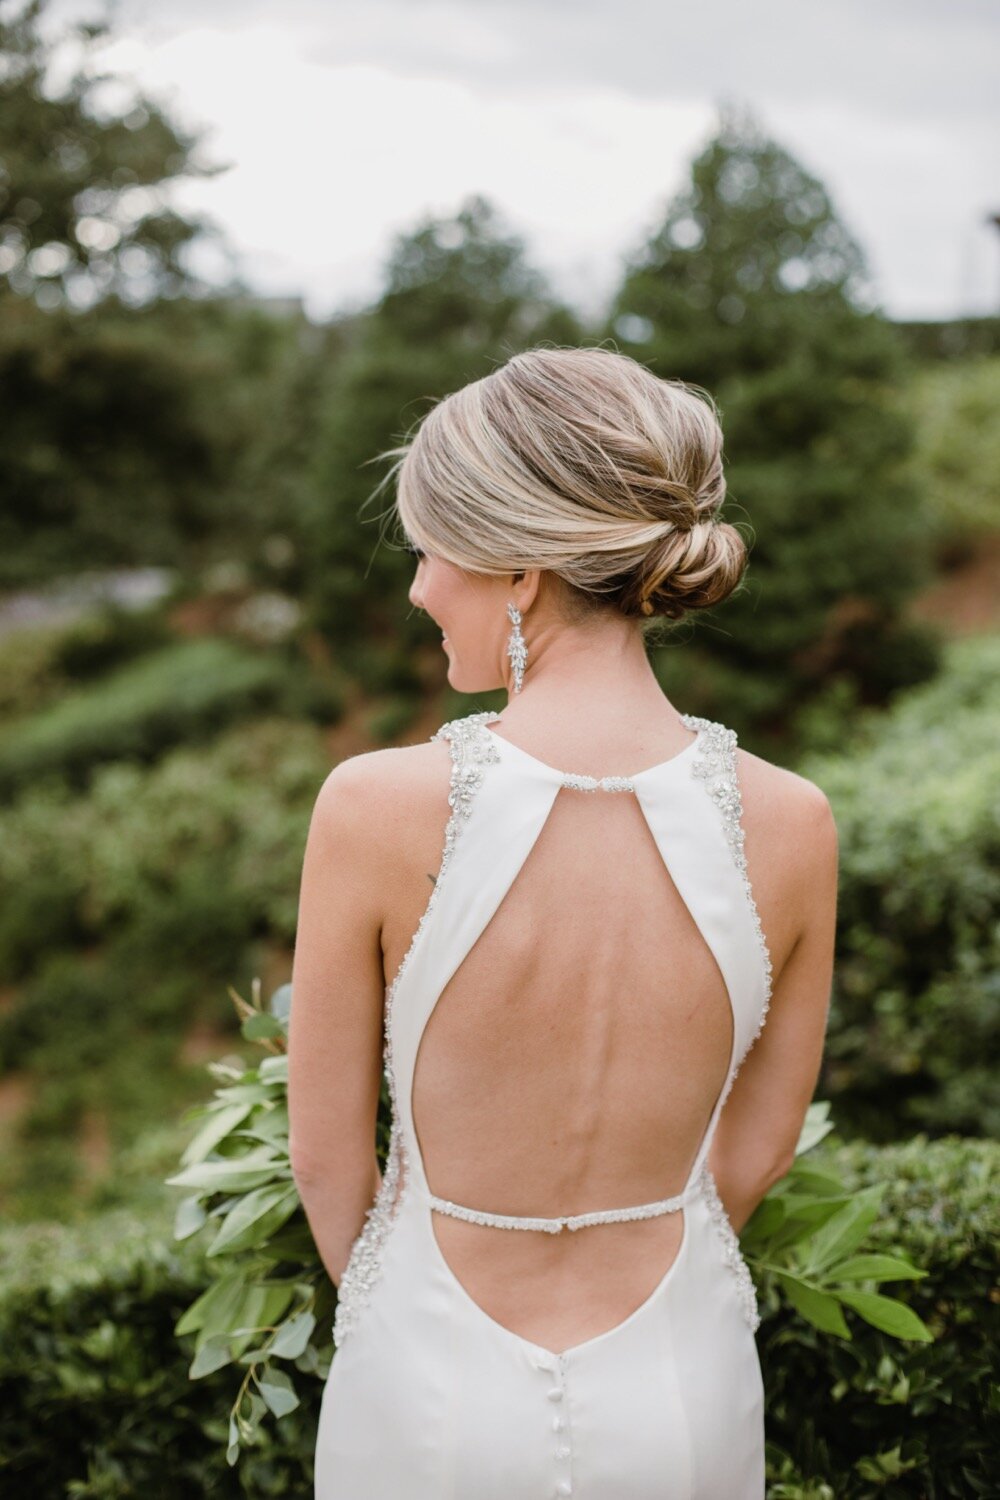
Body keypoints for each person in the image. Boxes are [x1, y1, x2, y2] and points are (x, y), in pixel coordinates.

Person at [288, 345, 838, 1499]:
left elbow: (329, 1154)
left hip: (428, 1388)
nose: (417, 587)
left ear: (520, 571)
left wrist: (402, 1316)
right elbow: (759, 1146)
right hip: (680, 1384)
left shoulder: (375, 807)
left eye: (432, 550)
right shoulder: (793, 821)